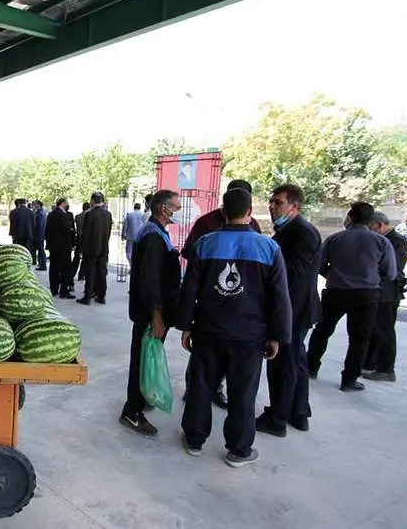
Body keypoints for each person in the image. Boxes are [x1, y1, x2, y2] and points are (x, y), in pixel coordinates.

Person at [178, 188, 291, 467]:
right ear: (249, 212)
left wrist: (185, 326)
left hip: (208, 331)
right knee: (243, 392)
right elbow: (279, 296)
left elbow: (188, 289)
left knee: (201, 386)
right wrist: (277, 336)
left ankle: (194, 439)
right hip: (249, 336)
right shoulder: (269, 248)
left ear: (223, 212)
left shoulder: (204, 244)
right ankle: (239, 450)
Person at [181, 179, 261, 410]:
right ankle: (198, 392)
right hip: (226, 308)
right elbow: (190, 255)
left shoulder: (250, 227)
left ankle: (212, 393)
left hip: (230, 310)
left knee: (215, 362)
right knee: (206, 366)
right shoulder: (208, 224)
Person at [307, 202, 397, 392]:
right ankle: (349, 380)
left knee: (322, 330)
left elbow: (320, 266)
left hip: (335, 292)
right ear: (371, 220)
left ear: (350, 216)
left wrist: (336, 275)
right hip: (366, 295)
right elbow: (390, 273)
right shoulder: (381, 242)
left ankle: (311, 367)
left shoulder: (335, 239)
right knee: (359, 339)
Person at [256, 184, 322, 437]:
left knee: (283, 364)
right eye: (271, 202)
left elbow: (292, 272)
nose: (272, 207)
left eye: (278, 203)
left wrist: (264, 268)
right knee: (296, 361)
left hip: (293, 310)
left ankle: (277, 418)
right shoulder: (290, 230)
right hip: (295, 309)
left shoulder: (301, 232)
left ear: (294, 207)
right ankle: (299, 412)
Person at [120, 190, 182, 437]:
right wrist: (157, 316)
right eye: (175, 207)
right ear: (163, 209)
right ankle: (131, 411)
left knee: (146, 358)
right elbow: (150, 280)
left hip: (153, 310)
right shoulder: (153, 237)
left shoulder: (156, 232)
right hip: (150, 313)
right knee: (143, 360)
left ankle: (142, 398)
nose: (177, 212)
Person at [364, 211, 407, 382]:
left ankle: (386, 369)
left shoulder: (396, 241)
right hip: (379, 291)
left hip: (388, 293)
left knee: (385, 331)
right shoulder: (386, 239)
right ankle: (371, 363)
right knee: (375, 330)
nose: (370, 231)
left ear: (379, 225)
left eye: (371, 228)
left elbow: (393, 268)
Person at [77, 192, 112, 305]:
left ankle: (87, 297)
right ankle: (102, 296)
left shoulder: (90, 215)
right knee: (102, 272)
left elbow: (86, 234)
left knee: (90, 273)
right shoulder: (108, 214)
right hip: (103, 247)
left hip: (91, 248)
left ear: (92, 201)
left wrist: (81, 249)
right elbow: (108, 232)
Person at [45, 198, 76, 299]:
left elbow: (47, 231)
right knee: (65, 269)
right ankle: (64, 291)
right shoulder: (63, 215)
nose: (67, 205)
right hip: (63, 247)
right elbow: (67, 230)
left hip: (53, 247)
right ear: (62, 204)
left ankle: (54, 289)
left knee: (53, 268)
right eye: (66, 203)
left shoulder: (51, 214)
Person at [71, 202, 90, 286]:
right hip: (86, 239)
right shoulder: (89, 216)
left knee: (76, 258)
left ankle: (72, 274)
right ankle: (81, 274)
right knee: (85, 258)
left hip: (79, 238)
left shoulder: (77, 216)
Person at [33, 200, 47, 270]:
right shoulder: (41, 212)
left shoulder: (40, 213)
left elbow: (39, 225)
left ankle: (43, 265)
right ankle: (41, 264)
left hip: (39, 235)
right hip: (40, 234)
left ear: (38, 205)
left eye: (35, 204)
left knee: (41, 250)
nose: (34, 206)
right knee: (40, 250)